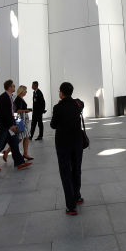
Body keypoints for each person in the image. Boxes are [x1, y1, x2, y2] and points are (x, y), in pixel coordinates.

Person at [50, 81, 85, 215]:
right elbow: (82, 103)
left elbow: (53, 125)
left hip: (63, 144)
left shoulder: (58, 107)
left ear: (62, 93)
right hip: (77, 143)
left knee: (65, 173)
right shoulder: (78, 104)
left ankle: (71, 206)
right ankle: (77, 196)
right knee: (76, 169)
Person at [0, 80, 32, 172]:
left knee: (14, 142)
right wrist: (12, 125)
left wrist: (15, 124)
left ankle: (19, 162)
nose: (14, 87)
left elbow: (11, 112)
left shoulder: (9, 97)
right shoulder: (4, 98)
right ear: (9, 87)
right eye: (13, 86)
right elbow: (7, 114)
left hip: (9, 125)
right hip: (5, 126)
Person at [3, 85, 32, 162]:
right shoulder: (18, 99)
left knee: (25, 136)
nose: (26, 92)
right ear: (22, 91)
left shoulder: (20, 98)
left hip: (21, 119)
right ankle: (7, 152)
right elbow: (17, 111)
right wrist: (26, 110)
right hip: (19, 119)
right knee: (20, 138)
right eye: (25, 90)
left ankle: (25, 153)